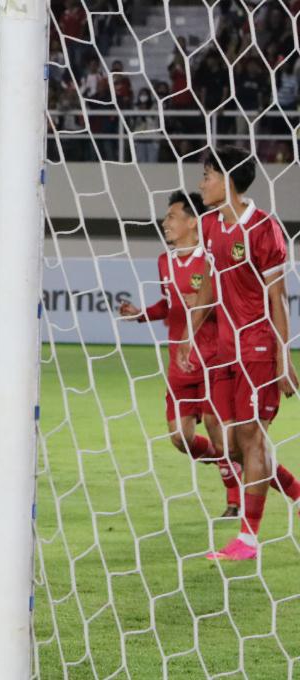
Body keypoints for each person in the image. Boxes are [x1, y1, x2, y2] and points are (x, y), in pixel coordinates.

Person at [188, 146, 300, 561]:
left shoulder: (264, 228)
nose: (202, 184)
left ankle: (247, 540)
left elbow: (279, 297)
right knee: (231, 445)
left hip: (256, 347)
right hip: (223, 350)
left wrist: (282, 356)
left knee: (251, 440)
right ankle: (296, 491)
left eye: (208, 175)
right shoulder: (210, 227)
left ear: (228, 180)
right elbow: (208, 285)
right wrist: (190, 333)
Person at [118, 192, 241, 517]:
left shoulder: (211, 259)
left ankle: (235, 498)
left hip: (213, 360)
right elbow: (168, 304)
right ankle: (229, 462)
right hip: (179, 365)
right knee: (180, 437)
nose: (165, 222)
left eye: (171, 216)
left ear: (192, 222)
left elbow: (231, 306)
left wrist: (204, 305)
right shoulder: (164, 261)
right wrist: (140, 314)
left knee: (217, 427)